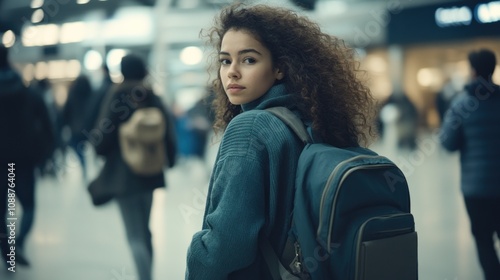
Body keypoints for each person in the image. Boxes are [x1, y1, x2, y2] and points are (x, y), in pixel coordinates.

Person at [185, 4, 376, 279]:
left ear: (279, 68)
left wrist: (196, 255)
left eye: (249, 60)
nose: (232, 72)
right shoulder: (310, 121)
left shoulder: (250, 127)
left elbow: (227, 247)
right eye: (226, 60)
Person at [91, 54, 177, 280]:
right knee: (145, 231)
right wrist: (170, 158)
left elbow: (104, 130)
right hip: (150, 170)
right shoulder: (152, 94)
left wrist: (99, 148)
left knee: (134, 235)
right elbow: (168, 130)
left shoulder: (117, 94)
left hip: (123, 174)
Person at [440, 49, 500, 280]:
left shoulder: (462, 104)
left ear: (473, 70)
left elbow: (448, 143)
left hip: (476, 189)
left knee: (484, 241)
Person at [0, 46, 55, 268]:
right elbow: (47, 126)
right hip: (23, 160)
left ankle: (8, 251)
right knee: (29, 206)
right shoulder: (28, 92)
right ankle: (19, 243)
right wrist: (44, 155)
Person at [62, 74, 94, 180]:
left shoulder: (72, 94)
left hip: (75, 129)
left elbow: (66, 112)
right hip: (89, 128)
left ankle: (83, 164)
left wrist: (64, 125)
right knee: (87, 148)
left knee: (77, 148)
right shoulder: (92, 94)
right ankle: (88, 165)